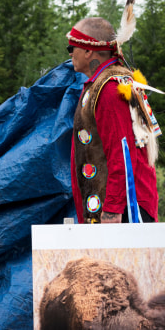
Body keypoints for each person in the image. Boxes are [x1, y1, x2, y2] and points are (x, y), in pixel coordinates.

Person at [69, 16, 160, 224]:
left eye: (71, 48)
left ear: (87, 50)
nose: (71, 54)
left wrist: (112, 209)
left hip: (126, 209)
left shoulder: (109, 90)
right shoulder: (108, 83)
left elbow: (122, 152)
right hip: (123, 205)